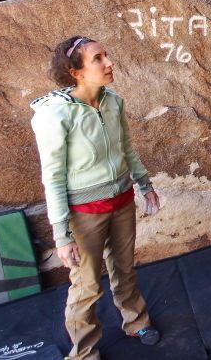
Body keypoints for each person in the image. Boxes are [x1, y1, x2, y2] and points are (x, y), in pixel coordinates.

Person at [30, 36, 161, 360]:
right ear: (75, 71)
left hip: (121, 201)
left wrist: (145, 184)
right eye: (98, 59)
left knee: (124, 268)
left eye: (107, 55)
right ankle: (84, 352)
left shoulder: (113, 101)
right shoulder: (55, 115)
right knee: (86, 285)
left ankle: (136, 321)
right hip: (84, 213)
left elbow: (126, 148)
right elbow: (53, 177)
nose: (109, 62)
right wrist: (62, 234)